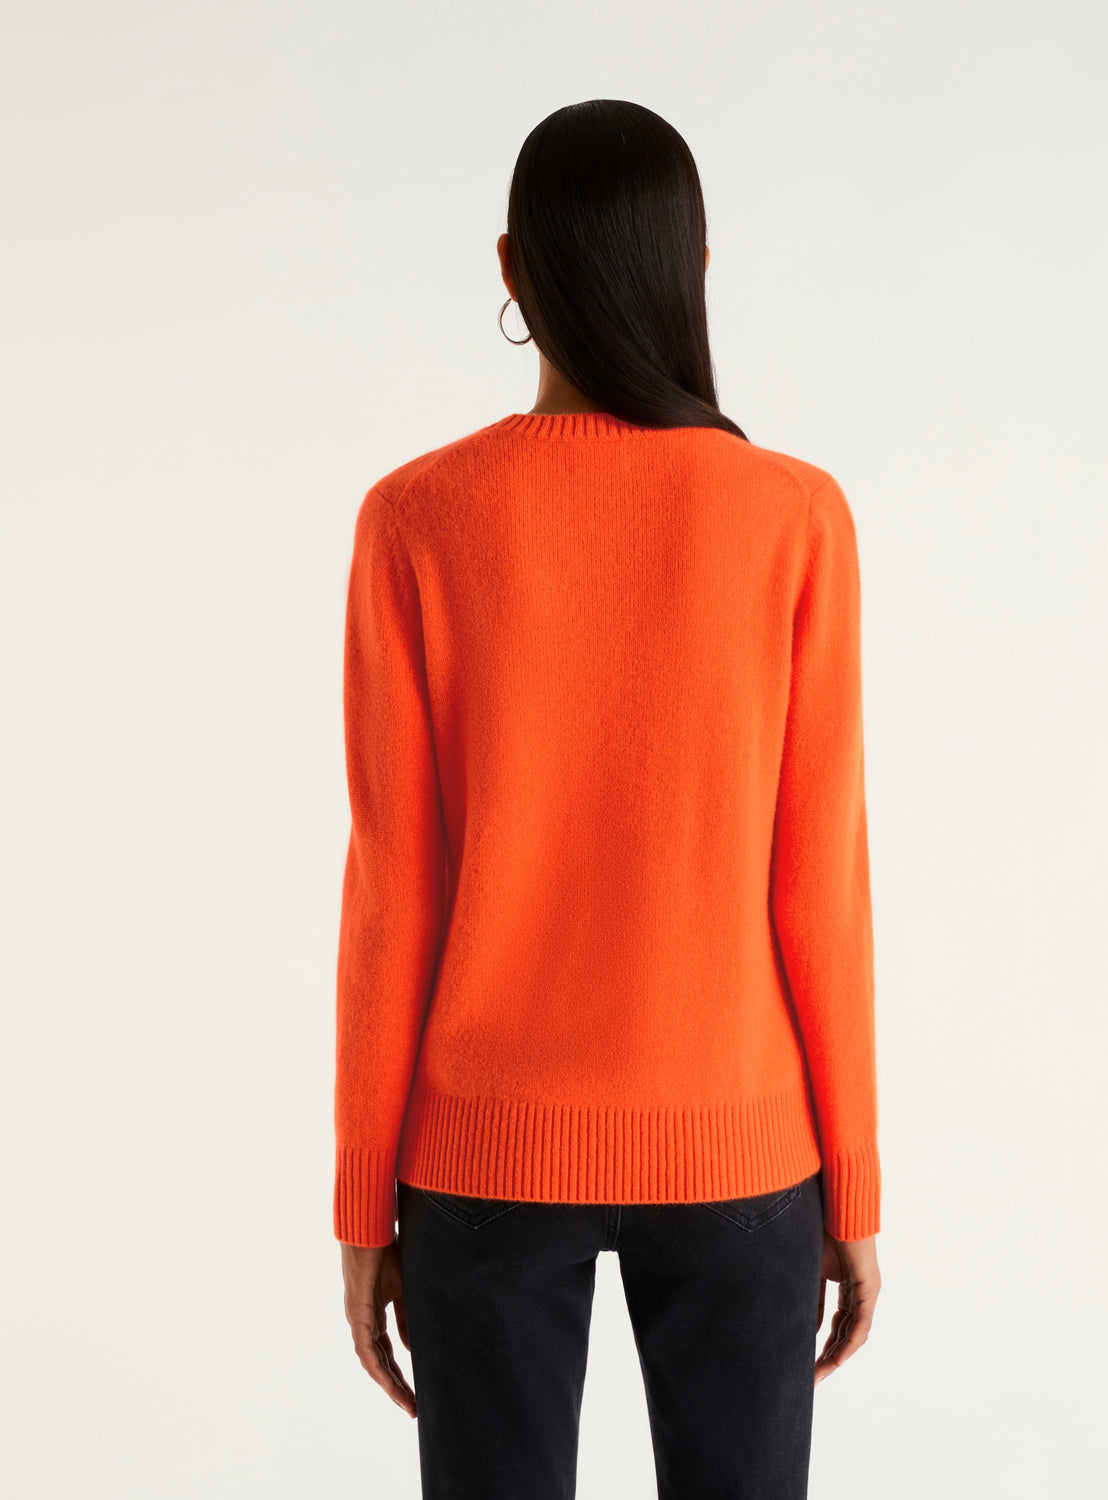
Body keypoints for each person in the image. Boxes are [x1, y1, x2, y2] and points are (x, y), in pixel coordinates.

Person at [333, 98, 882, 1500]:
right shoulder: (795, 516)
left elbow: (396, 889)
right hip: (744, 1146)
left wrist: (363, 1199)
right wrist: (855, 1183)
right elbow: (820, 883)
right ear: (695, 265)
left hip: (481, 1155)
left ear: (510, 269)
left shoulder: (416, 519)